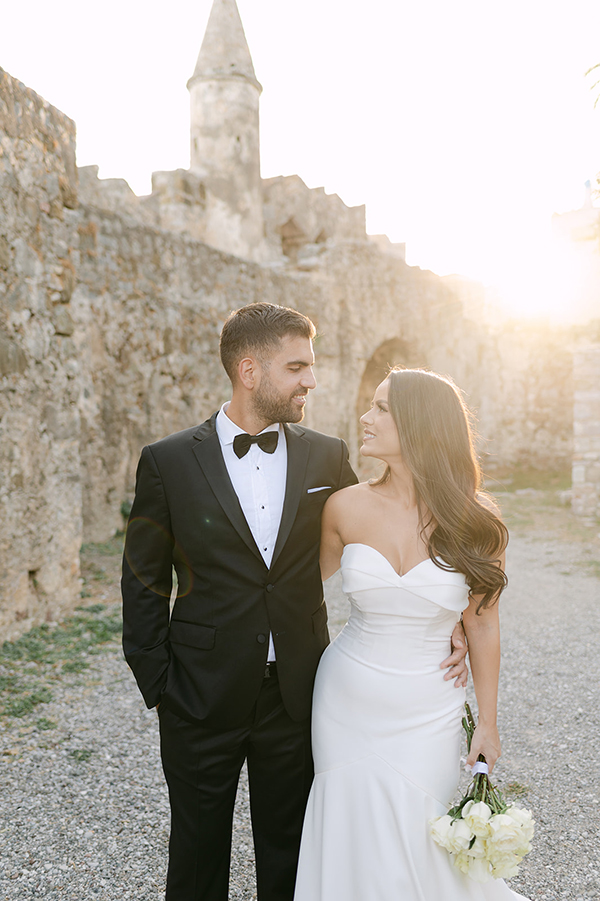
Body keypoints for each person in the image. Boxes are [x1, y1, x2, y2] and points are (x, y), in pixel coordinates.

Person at [121, 304, 468, 901]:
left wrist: (446, 618)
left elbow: (388, 532)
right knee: (196, 860)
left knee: (292, 858)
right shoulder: (169, 461)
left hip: (302, 695)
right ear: (250, 371)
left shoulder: (325, 456)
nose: (312, 380)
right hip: (198, 694)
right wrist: (160, 683)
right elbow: (142, 582)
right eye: (297, 366)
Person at [293, 368, 531, 901]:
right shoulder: (344, 507)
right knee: (351, 826)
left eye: (381, 408)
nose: (365, 417)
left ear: (420, 424)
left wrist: (487, 723)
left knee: (422, 833)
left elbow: (484, 620)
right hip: (346, 701)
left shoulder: (475, 522)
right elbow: (290, 592)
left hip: (430, 702)